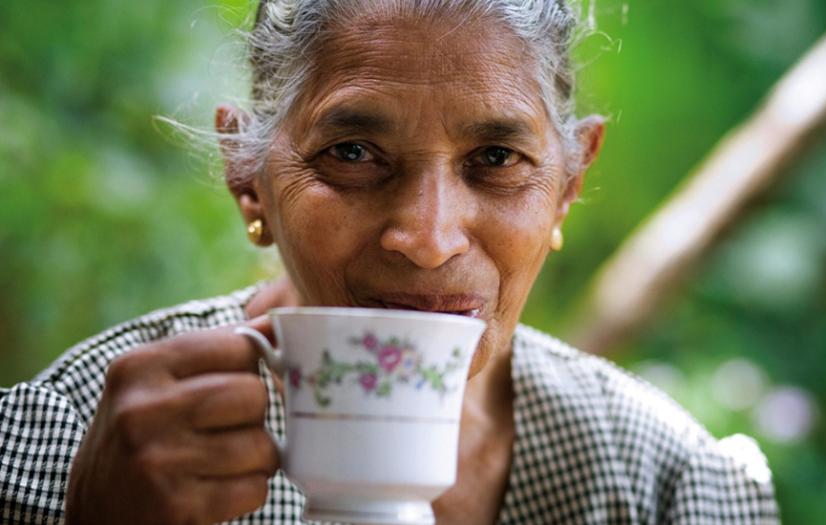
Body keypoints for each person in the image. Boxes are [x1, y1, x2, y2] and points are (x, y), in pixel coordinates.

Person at [0, 0, 779, 523]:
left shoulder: (669, 485)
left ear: (567, 187)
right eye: (352, 152)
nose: (429, 236)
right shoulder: (68, 449)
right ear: (251, 181)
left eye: (498, 157)